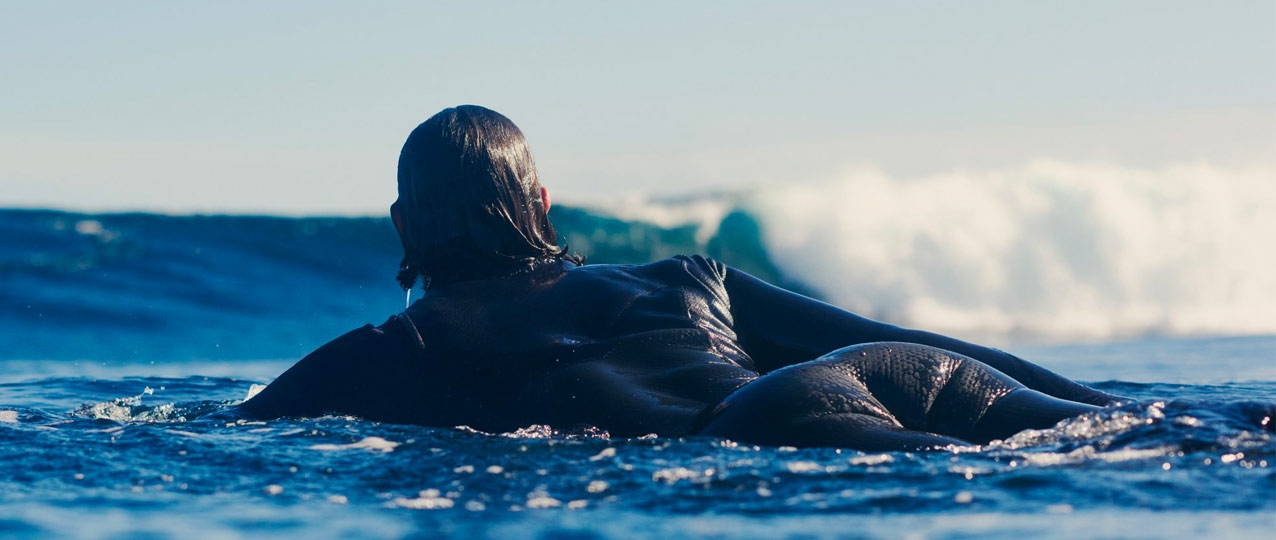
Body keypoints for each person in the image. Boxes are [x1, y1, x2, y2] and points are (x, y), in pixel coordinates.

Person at [238, 105, 1118, 451]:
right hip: (872, 369)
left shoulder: (395, 349)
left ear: (402, 228)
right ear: (542, 203)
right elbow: (933, 351)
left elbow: (215, 431)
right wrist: (1106, 401)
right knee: (1121, 437)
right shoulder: (690, 276)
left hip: (759, 425)